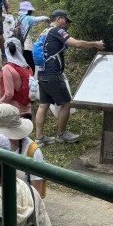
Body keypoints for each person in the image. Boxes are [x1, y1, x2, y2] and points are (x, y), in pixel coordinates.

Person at [35, 10, 105, 145]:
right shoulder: (57, 31)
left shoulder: (45, 32)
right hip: (53, 75)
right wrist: (95, 44)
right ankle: (61, 135)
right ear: (59, 19)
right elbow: (77, 44)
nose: (66, 24)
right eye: (66, 20)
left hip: (42, 73)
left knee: (43, 105)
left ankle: (39, 138)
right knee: (67, 103)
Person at [0, 38, 33, 119]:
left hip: (13, 113)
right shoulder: (27, 67)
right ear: (20, 49)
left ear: (6, 50)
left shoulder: (7, 68)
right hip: (27, 112)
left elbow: (9, 94)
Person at [16, 1, 49, 70]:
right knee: (31, 65)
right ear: (28, 11)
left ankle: (24, 75)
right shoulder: (28, 18)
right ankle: (30, 76)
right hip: (26, 45)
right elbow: (38, 19)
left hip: (18, 44)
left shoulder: (18, 19)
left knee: (23, 62)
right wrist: (47, 18)